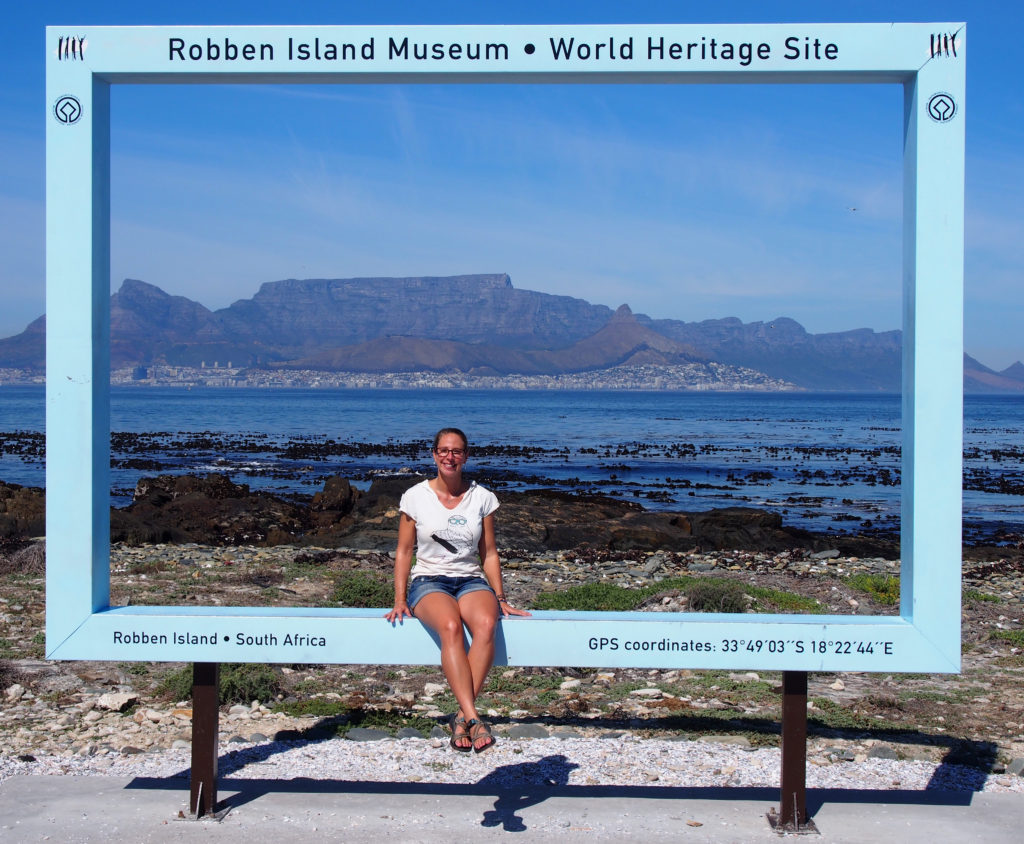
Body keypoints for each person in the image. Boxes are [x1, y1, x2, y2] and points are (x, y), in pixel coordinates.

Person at [385, 427, 530, 752]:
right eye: (444, 450)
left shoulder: (483, 498)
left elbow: (489, 553)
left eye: (457, 451)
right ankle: (474, 717)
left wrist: (501, 597)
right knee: (450, 627)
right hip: (428, 582)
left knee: (487, 624)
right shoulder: (414, 497)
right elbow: (404, 551)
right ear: (434, 454)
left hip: (470, 580)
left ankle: (462, 718)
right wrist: (398, 599)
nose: (450, 457)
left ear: (466, 456)